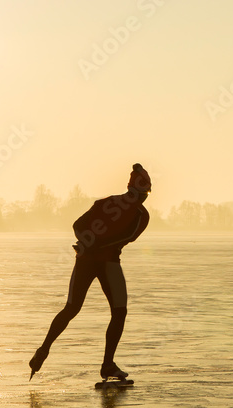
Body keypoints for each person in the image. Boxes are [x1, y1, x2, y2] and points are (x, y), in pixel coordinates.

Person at [30, 163, 152, 381]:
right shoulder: (141, 214)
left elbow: (78, 225)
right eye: (144, 195)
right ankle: (106, 364)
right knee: (119, 311)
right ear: (140, 193)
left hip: (85, 259)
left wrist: (88, 243)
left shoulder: (106, 203)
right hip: (108, 263)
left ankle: (44, 349)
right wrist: (92, 244)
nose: (144, 199)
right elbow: (124, 238)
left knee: (72, 308)